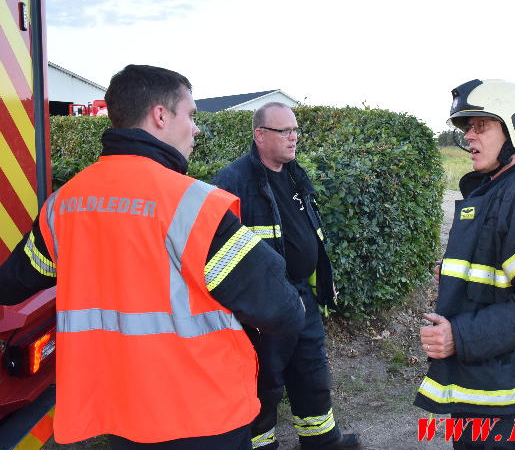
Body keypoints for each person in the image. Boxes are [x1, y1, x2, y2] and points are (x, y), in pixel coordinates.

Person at [0, 65, 306, 450]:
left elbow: (13, 284)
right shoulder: (193, 204)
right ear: (161, 116)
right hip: (203, 414)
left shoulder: (65, 203)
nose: (196, 128)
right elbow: (281, 309)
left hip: (121, 415)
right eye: (191, 115)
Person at [414, 79, 515, 449]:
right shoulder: (499, 186)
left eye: (480, 126)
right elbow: (499, 268)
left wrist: (460, 336)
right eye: (466, 128)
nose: (469, 137)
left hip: (506, 393)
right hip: (487, 377)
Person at [212, 102, 359, 450]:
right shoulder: (232, 183)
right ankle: (261, 444)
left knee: (310, 371)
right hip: (261, 305)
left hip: (300, 298)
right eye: (285, 131)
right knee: (264, 379)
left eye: (296, 130)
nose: (294, 138)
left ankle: (322, 440)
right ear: (260, 135)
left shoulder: (295, 174)